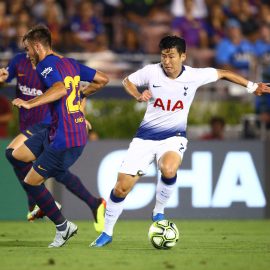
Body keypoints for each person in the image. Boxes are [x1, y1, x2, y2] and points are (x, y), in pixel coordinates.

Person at [90, 35, 270, 247]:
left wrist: (251, 85)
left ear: (183, 56)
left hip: (173, 137)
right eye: (163, 56)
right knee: (121, 188)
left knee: (168, 168)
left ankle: (158, 212)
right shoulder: (151, 71)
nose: (166, 61)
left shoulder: (194, 75)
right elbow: (127, 81)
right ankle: (107, 233)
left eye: (171, 56)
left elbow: (223, 73)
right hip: (145, 138)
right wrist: (137, 95)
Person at [9, 24, 109, 247]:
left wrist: (29, 102)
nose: (28, 55)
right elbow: (102, 79)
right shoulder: (69, 63)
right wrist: (80, 94)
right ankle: (81, 203)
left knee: (31, 183)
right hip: (58, 130)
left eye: (28, 49)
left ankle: (63, 227)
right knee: (15, 155)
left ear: (37, 46)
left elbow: (60, 89)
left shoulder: (45, 65)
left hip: (65, 139)